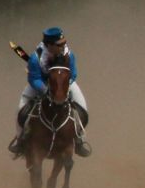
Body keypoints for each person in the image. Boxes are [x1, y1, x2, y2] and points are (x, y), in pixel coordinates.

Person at [9, 26, 91, 157]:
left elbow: (73, 73)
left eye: (63, 42)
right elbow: (34, 78)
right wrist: (46, 89)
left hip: (64, 82)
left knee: (82, 108)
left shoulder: (69, 54)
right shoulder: (36, 58)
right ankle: (20, 140)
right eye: (59, 44)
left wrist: (64, 86)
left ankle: (79, 140)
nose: (63, 45)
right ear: (49, 45)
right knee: (21, 110)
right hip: (41, 83)